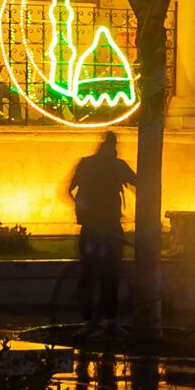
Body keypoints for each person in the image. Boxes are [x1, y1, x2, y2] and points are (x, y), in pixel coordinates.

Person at [65, 130, 138, 327]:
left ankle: (88, 321)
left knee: (89, 271)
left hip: (90, 225)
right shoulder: (117, 165)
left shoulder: (87, 163)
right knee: (111, 273)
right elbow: (138, 184)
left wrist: (81, 207)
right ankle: (110, 320)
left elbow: (68, 190)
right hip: (110, 224)